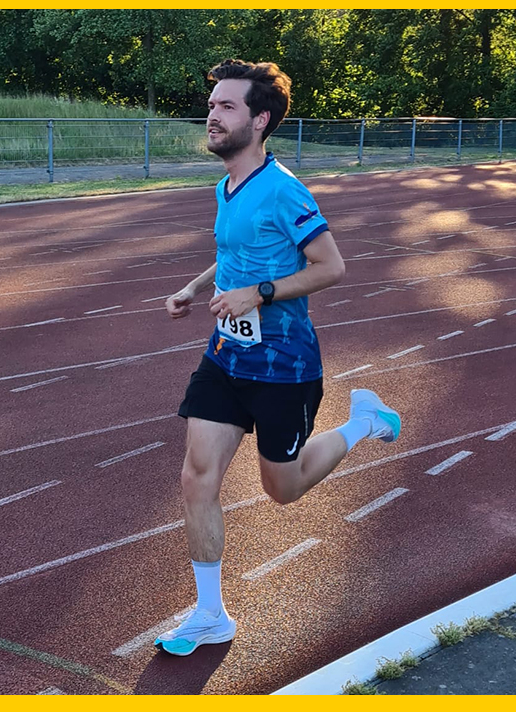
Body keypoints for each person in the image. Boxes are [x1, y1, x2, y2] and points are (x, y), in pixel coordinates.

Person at [157, 59, 402, 656]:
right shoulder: (226, 186)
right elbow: (236, 254)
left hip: (284, 366)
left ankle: (363, 422)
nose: (212, 116)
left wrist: (260, 293)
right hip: (225, 358)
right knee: (196, 477)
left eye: (227, 107)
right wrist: (196, 287)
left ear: (260, 120)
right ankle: (210, 614)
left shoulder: (285, 190)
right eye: (212, 106)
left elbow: (331, 267)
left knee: (282, 489)